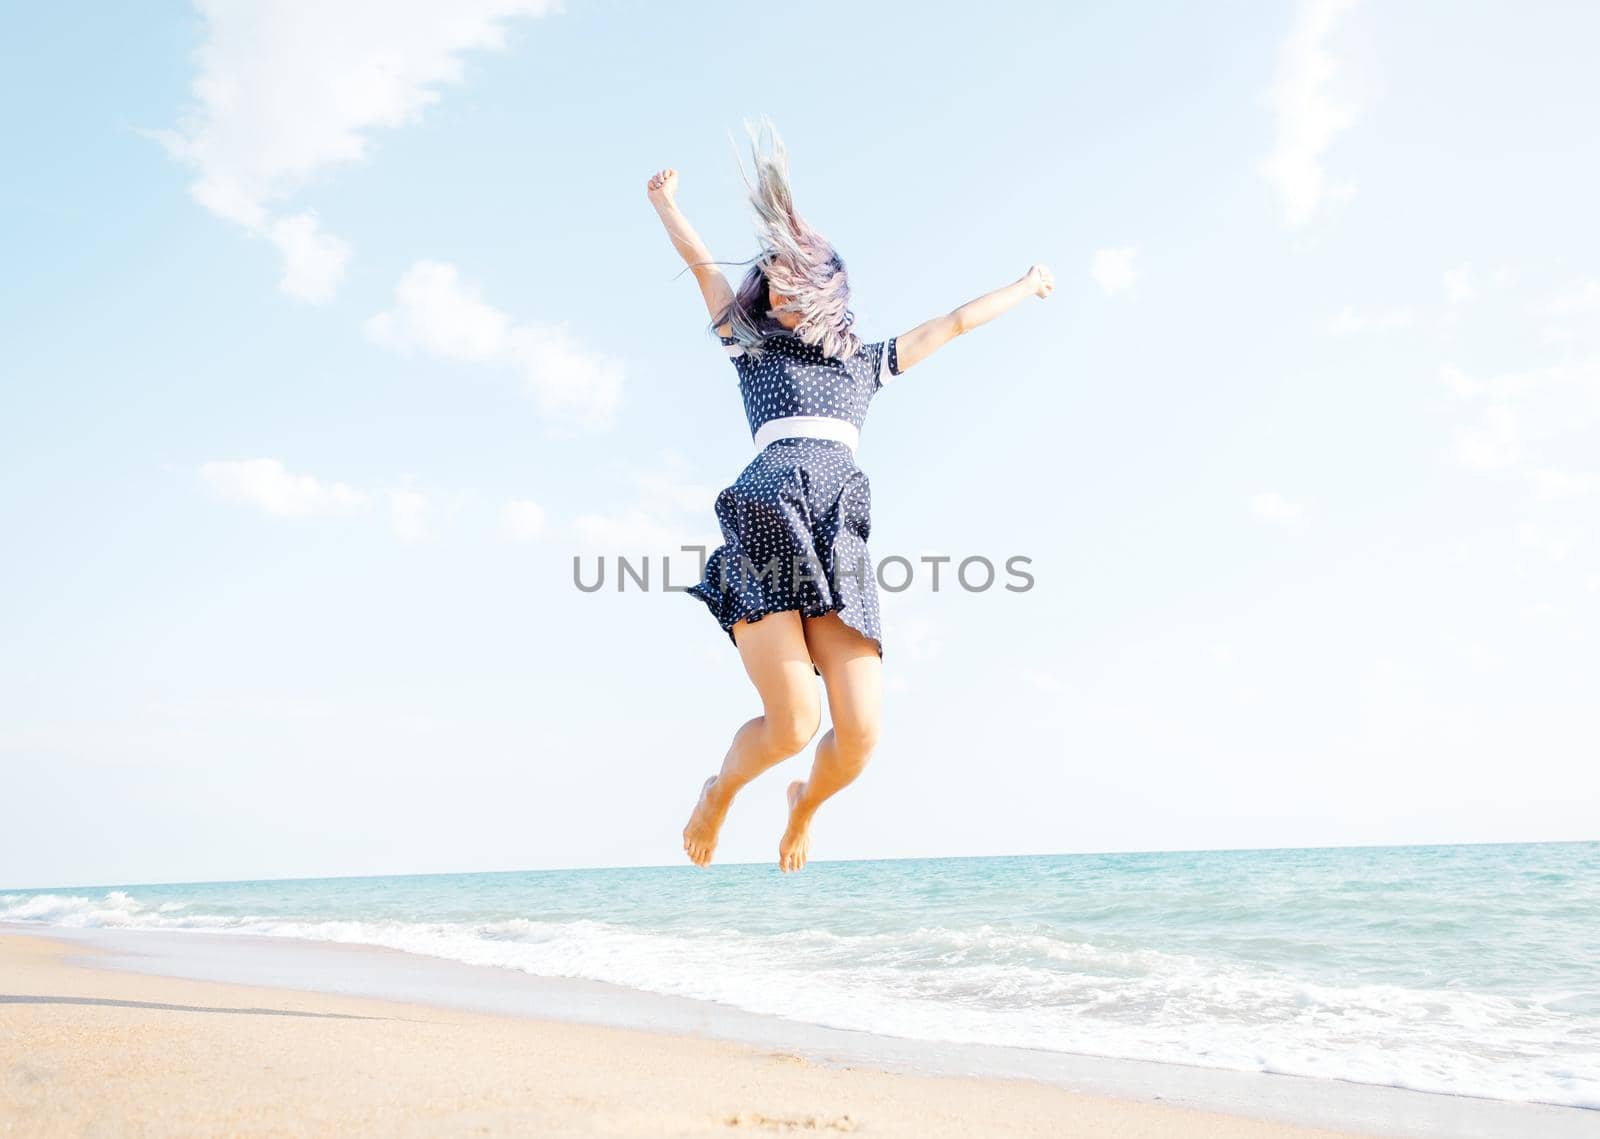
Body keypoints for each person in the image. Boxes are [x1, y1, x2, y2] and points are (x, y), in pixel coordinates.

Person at [645, 117, 1053, 872]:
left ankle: (804, 805)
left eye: (786, 276)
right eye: (768, 277)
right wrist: (667, 207)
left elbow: (954, 323)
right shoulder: (751, 351)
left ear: (820, 285)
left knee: (860, 734)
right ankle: (721, 793)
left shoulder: (865, 363)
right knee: (795, 720)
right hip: (767, 531)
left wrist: (1027, 287)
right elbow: (704, 269)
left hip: (836, 541)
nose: (772, 285)